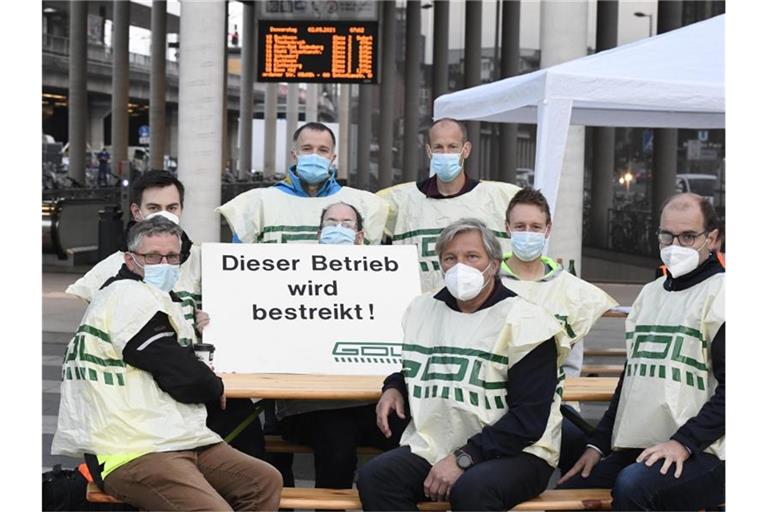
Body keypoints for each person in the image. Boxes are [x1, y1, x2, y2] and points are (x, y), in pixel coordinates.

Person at [51, 217, 283, 511]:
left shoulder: (150, 297)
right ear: (130, 258)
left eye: (172, 256)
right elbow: (184, 376)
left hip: (174, 437)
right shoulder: (127, 296)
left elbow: (170, 361)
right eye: (152, 256)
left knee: (263, 481)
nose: (164, 263)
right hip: (132, 448)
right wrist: (213, 385)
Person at [357, 219, 569, 511]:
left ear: (493, 265)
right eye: (450, 258)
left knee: (473, 489)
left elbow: (528, 420)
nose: (460, 266)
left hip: (517, 452)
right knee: (376, 477)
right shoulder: (423, 309)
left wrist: (464, 458)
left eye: (472, 257)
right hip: (438, 444)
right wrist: (395, 386)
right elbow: (425, 365)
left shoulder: (526, 322)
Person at [66, 169, 266, 460]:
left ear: (181, 210)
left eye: (172, 208)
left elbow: (240, 315)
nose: (164, 214)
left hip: (204, 384)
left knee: (256, 450)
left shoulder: (206, 260)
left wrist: (213, 324)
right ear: (136, 211)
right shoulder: (110, 269)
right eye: (153, 207)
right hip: (144, 400)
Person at [558, 193, 725, 511]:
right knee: (571, 489)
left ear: (713, 238)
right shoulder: (649, 295)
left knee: (633, 487)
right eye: (667, 235)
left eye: (688, 236)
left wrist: (684, 443)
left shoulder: (724, 294)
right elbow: (631, 380)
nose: (675, 245)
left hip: (708, 450)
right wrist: (597, 444)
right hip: (645, 445)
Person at [275, 202, 407, 489]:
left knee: (412, 442)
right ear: (319, 234)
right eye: (331, 223)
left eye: (346, 224)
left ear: (360, 236)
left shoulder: (386, 280)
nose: (338, 229)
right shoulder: (284, 275)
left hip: (371, 399)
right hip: (308, 405)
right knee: (338, 447)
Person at [501, 187, 618, 471]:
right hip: (491, 405)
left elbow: (573, 363)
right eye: (520, 226)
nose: (528, 233)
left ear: (548, 229)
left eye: (535, 227)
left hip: (556, 407)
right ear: (507, 229)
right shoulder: (487, 282)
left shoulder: (574, 292)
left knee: (592, 460)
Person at [377, 118, 520, 293]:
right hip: (422, 310)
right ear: (429, 152)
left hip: (485, 309)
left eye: (452, 147)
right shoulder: (400, 200)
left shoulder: (500, 197)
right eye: (438, 147)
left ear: (465, 150)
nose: (445, 153)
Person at [217, 122, 389, 245]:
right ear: (295, 154)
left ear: (332, 158)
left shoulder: (365, 204)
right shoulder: (257, 203)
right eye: (307, 149)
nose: (314, 155)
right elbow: (238, 264)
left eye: (323, 150)